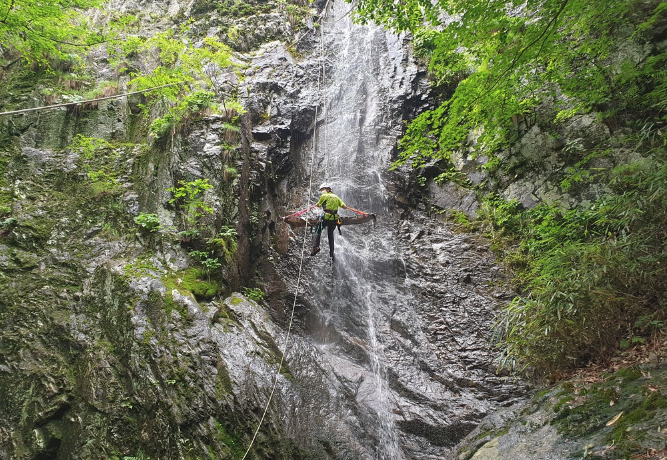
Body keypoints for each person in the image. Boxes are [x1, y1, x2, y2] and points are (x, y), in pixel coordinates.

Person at [310, 183, 348, 259]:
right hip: (334, 220)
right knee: (330, 234)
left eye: (322, 190)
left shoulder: (324, 196)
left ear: (326, 189)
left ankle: (316, 247)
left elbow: (319, 205)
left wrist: (317, 204)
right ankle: (331, 253)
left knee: (318, 228)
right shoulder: (336, 197)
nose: (321, 192)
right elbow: (344, 206)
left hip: (326, 219)